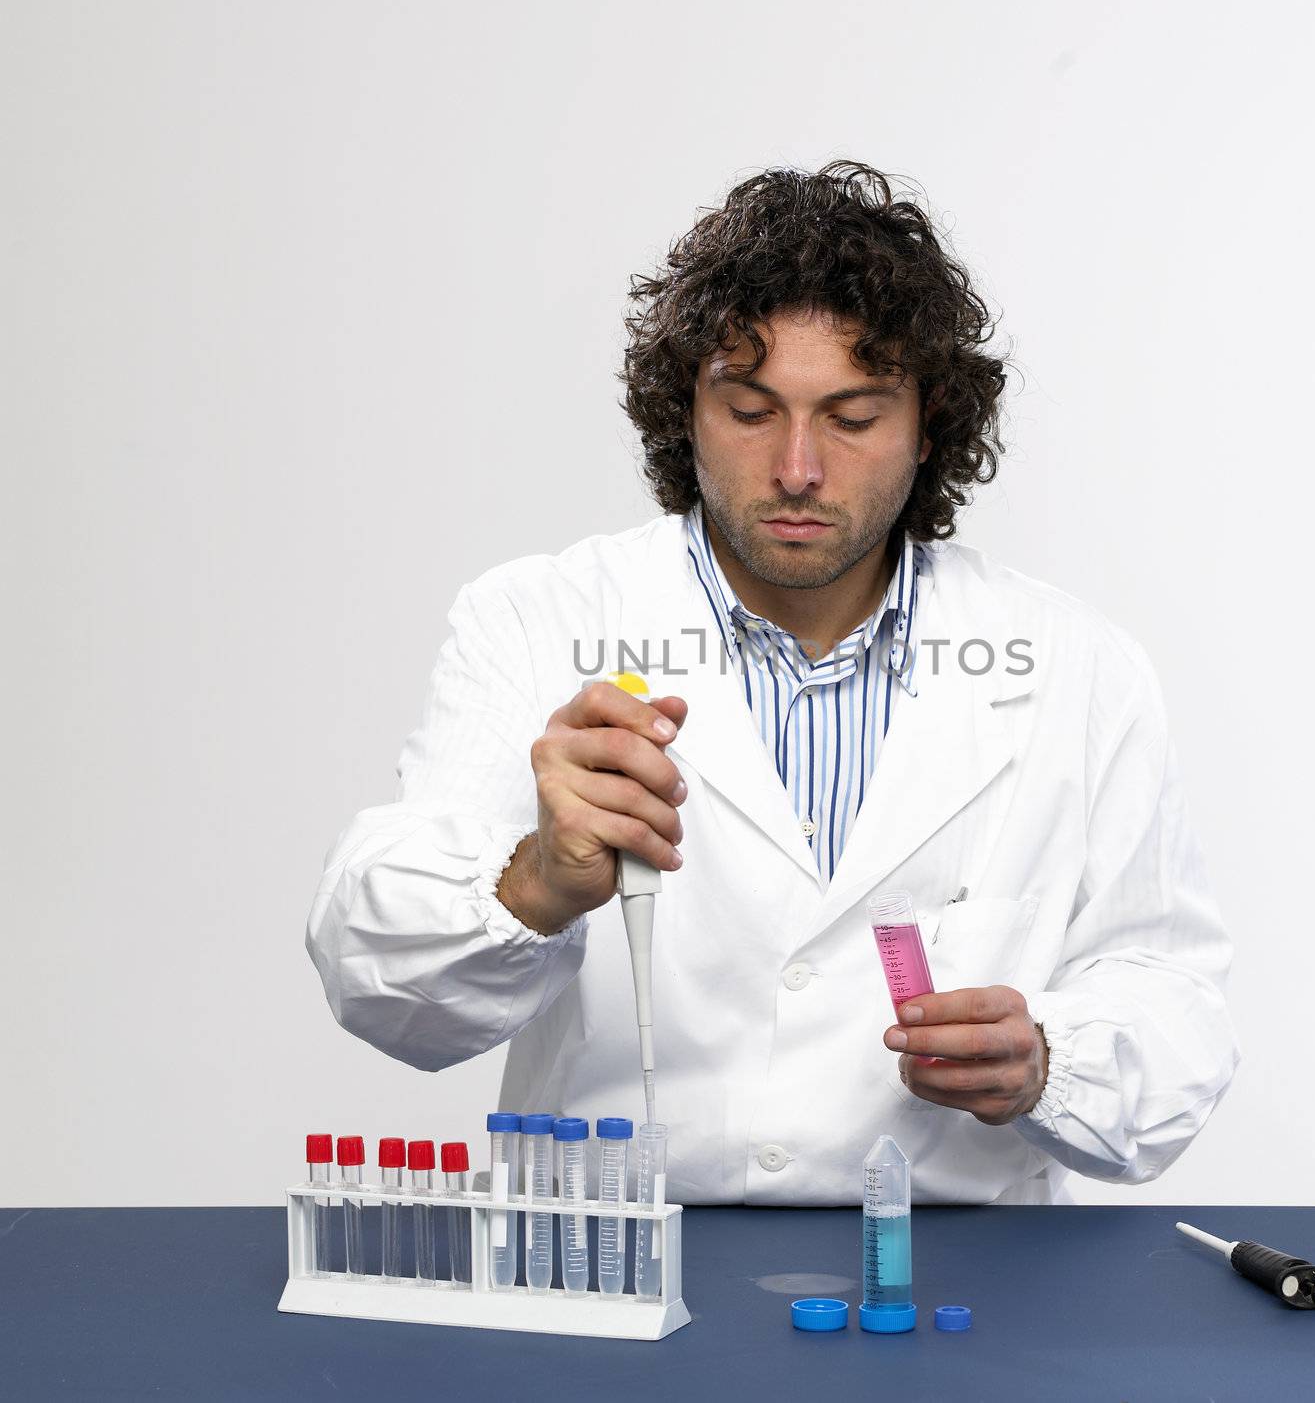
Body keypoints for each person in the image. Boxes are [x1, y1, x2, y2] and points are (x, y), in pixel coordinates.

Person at [306, 160, 1240, 1204]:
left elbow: (1172, 996)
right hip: (615, 1262)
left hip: (958, 1289)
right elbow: (371, 978)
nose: (797, 467)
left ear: (927, 426)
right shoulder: (539, 620)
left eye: (851, 416)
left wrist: (1049, 1059)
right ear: (686, 412)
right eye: (751, 410)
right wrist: (535, 887)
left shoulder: (1074, 666)